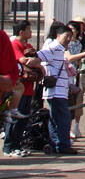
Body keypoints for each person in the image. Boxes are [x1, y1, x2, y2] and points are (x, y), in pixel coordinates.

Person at [37, 21, 76, 155]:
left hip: (58, 90)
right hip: (56, 91)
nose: (69, 40)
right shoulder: (55, 47)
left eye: (71, 37)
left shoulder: (59, 48)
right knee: (63, 118)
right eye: (67, 36)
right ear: (59, 35)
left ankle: (55, 144)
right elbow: (39, 56)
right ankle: (62, 144)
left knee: (54, 119)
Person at [4, 22, 40, 156]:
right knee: (14, 118)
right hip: (18, 89)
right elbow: (24, 60)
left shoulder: (28, 46)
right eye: (28, 29)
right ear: (21, 32)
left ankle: (16, 145)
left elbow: (37, 61)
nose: (31, 32)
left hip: (29, 88)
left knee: (23, 118)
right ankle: (8, 147)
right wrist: (32, 61)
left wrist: (34, 61)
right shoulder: (14, 44)